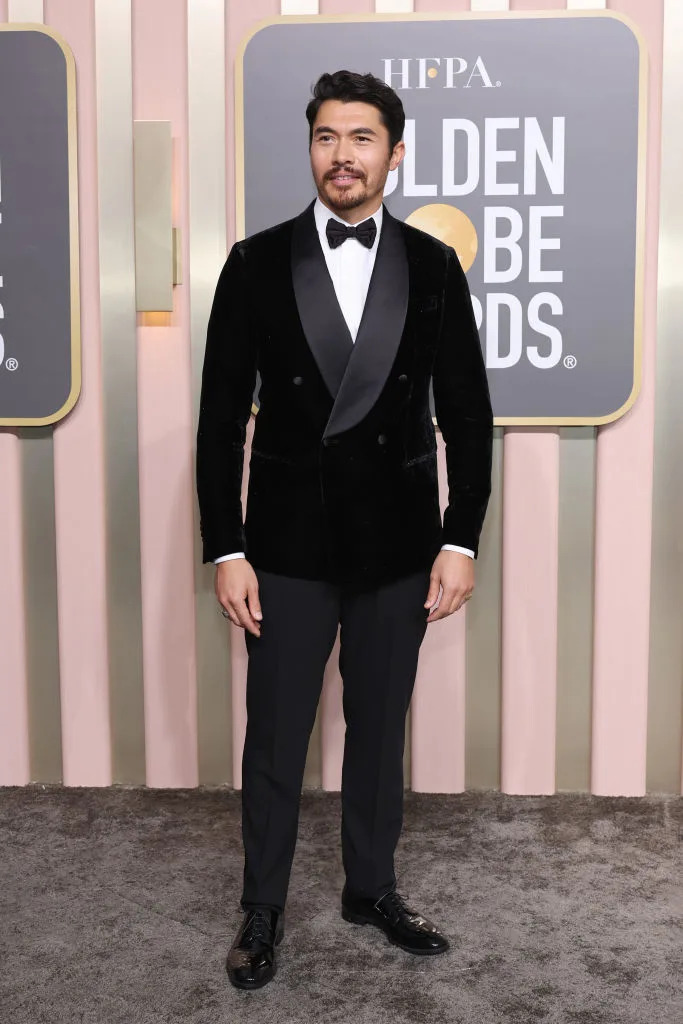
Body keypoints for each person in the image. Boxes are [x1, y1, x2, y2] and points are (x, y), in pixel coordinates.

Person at [196, 69, 493, 991]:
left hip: (400, 545)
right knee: (276, 737)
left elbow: (468, 415)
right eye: (327, 137)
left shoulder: (433, 265)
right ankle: (264, 906)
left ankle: (370, 889)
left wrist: (460, 537)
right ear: (311, 148)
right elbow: (218, 418)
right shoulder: (253, 262)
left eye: (361, 138)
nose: (343, 155)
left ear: (393, 154)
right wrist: (227, 547)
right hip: (283, 547)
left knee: (377, 732)